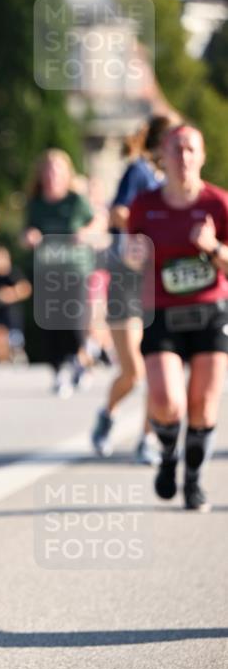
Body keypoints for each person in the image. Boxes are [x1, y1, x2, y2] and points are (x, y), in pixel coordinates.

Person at [126, 124, 228, 511]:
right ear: (163, 158)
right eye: (175, 149)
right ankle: (169, 455)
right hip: (162, 310)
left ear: (201, 156)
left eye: (190, 149)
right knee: (167, 401)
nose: (183, 157)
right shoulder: (144, 205)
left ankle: (194, 480)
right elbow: (131, 258)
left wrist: (213, 247)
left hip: (211, 310)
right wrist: (132, 256)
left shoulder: (219, 204)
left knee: (203, 403)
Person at [92, 116, 172, 461]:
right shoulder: (139, 171)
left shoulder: (174, 182)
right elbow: (118, 213)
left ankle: (147, 440)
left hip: (160, 283)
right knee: (133, 372)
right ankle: (107, 415)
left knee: (157, 368)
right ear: (161, 144)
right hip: (127, 277)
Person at [20, 149, 101, 397]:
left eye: (57, 169)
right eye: (48, 169)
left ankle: (81, 358)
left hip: (75, 270)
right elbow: (25, 235)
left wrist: (86, 233)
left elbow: (99, 221)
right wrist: (29, 237)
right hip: (46, 272)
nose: (52, 174)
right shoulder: (35, 204)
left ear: (66, 174)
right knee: (50, 324)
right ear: (41, 174)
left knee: (74, 322)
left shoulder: (76, 201)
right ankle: (59, 372)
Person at [0, 245, 31, 363]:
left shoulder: (13, 273)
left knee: (15, 336)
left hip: (12, 313)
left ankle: (17, 352)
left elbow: (26, 288)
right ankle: (3, 361)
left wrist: (8, 294)